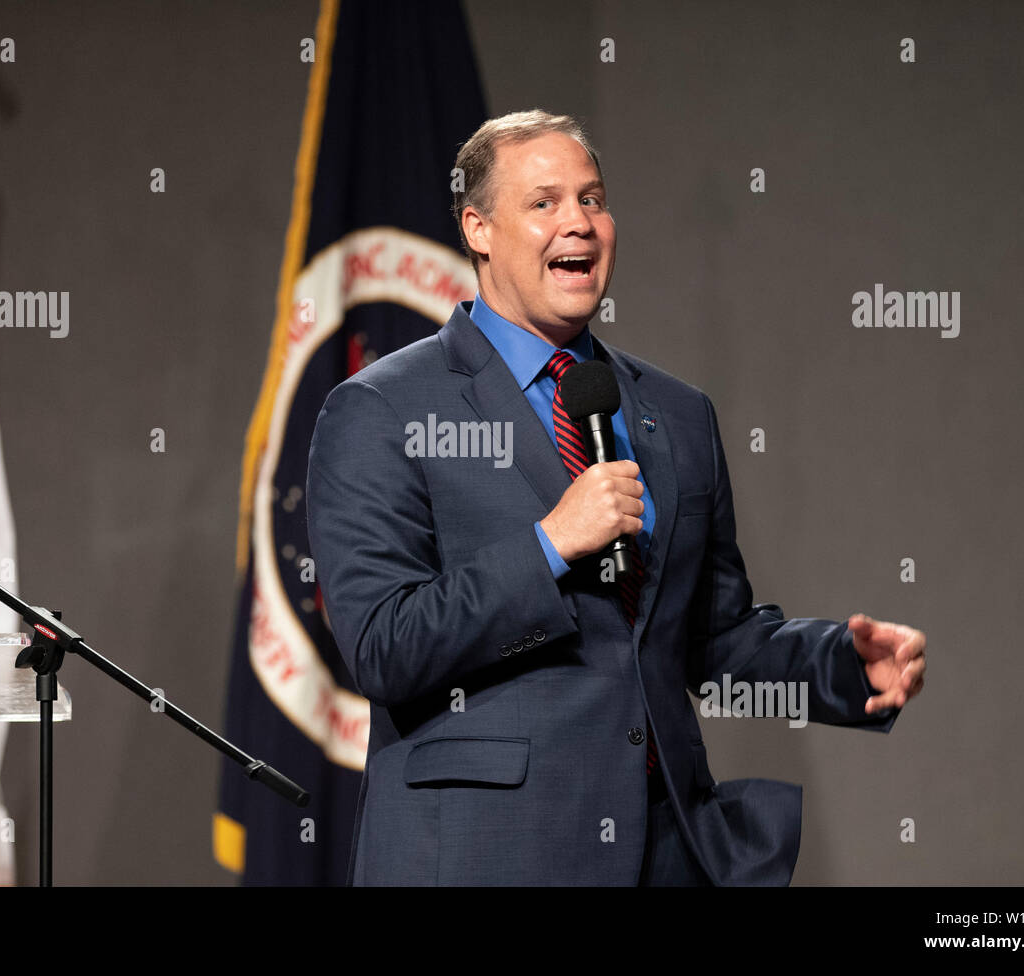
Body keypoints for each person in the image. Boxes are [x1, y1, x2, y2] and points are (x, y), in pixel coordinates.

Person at [306, 109, 926, 885]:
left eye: (593, 200)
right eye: (545, 203)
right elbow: (383, 646)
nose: (581, 223)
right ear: (478, 228)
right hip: (484, 855)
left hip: (662, 851)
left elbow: (710, 638)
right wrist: (549, 545)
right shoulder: (383, 408)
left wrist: (842, 669)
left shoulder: (676, 412)